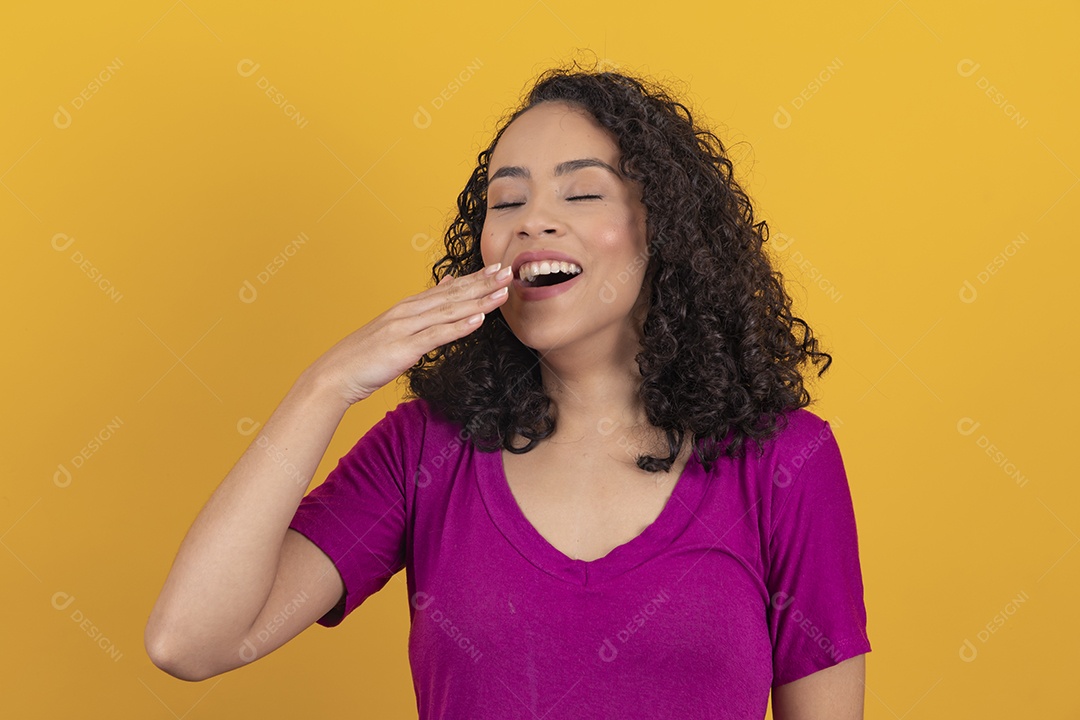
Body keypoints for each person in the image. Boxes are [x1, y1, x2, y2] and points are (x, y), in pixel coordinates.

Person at [145, 63, 871, 719]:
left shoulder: (786, 461)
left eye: (581, 192)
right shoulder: (423, 451)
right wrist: (327, 385)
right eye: (507, 201)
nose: (532, 222)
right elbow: (190, 641)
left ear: (662, 231)